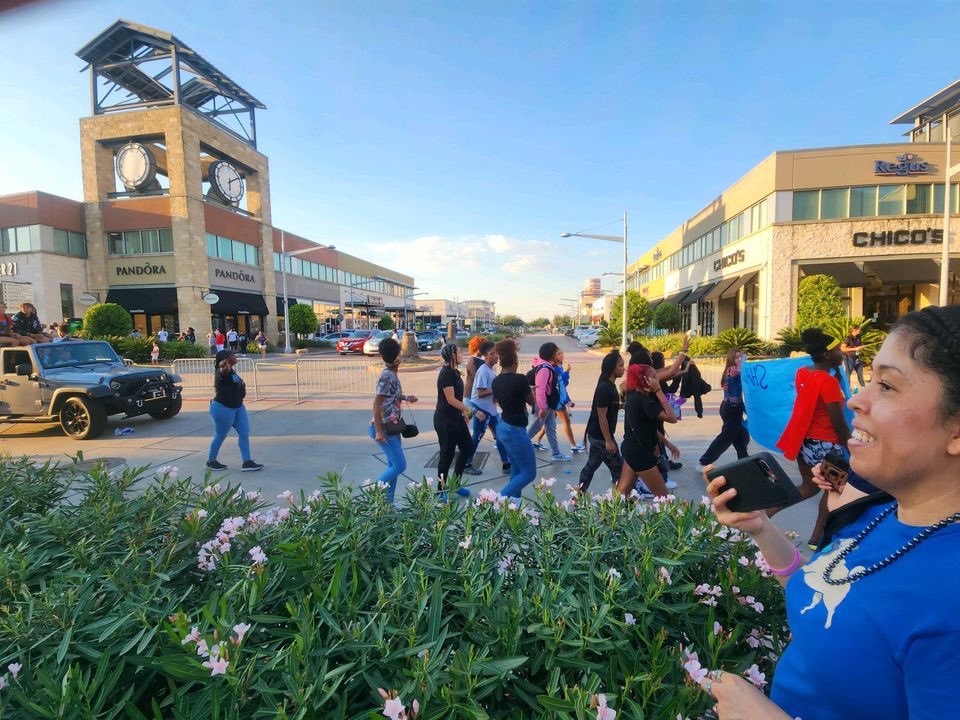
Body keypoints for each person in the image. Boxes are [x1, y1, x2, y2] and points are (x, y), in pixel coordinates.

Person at [703, 304, 960, 720]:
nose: (857, 398)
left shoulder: (951, 596)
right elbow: (826, 599)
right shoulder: (881, 512)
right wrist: (762, 530)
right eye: (869, 379)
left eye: (888, 387)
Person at [776, 328, 851, 548]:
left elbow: (813, 392)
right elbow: (838, 423)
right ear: (827, 355)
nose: (842, 353)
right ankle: (817, 538)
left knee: (809, 487)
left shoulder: (803, 373)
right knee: (835, 491)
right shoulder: (828, 383)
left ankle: (766, 512)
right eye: (838, 350)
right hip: (825, 446)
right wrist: (852, 447)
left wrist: (834, 375)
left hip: (804, 443)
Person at [615, 363, 676, 498]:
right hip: (640, 454)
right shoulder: (644, 401)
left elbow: (646, 428)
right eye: (653, 377)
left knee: (620, 496)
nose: (657, 380)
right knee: (664, 500)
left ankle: (606, 518)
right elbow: (672, 418)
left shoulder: (634, 396)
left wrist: (668, 444)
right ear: (644, 380)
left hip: (632, 449)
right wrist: (659, 391)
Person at [369, 337, 417, 505]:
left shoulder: (392, 375)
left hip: (393, 427)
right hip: (383, 427)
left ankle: (388, 505)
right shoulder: (387, 376)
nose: (401, 355)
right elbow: (377, 404)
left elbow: (390, 396)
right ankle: (373, 493)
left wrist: (405, 397)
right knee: (399, 466)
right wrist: (379, 431)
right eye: (399, 353)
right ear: (396, 357)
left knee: (393, 467)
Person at [492, 339, 538, 499]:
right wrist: (530, 391)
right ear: (515, 362)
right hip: (515, 430)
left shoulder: (496, 381)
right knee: (529, 474)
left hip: (503, 427)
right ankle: (495, 501)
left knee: (517, 470)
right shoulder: (520, 379)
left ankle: (514, 507)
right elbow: (532, 401)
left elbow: (501, 399)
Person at [206, 349, 263, 472]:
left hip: (238, 407)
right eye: (232, 355)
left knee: (244, 432)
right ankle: (211, 461)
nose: (235, 356)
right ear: (225, 360)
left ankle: (247, 462)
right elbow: (223, 370)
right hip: (223, 409)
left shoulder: (232, 371)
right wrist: (223, 365)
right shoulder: (223, 372)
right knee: (220, 436)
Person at [434, 343, 478, 497]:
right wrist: (469, 410)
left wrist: (462, 413)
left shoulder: (454, 372)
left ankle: (455, 484)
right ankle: (441, 490)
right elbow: (451, 399)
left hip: (456, 418)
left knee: (467, 447)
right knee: (447, 454)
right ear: (452, 355)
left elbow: (457, 399)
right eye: (459, 352)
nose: (462, 354)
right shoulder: (446, 373)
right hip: (445, 420)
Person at [696, 348, 750, 472]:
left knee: (742, 437)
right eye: (737, 357)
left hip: (734, 407)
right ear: (731, 359)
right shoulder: (732, 369)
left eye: (741, 356)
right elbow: (740, 371)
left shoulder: (734, 369)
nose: (740, 359)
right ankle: (703, 462)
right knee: (725, 438)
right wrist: (744, 361)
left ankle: (744, 461)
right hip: (731, 409)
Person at [578, 350, 625, 492]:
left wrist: (623, 405)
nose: (624, 368)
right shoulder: (605, 388)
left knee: (591, 465)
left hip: (598, 436)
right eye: (621, 365)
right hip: (601, 437)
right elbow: (601, 415)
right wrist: (608, 440)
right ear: (612, 368)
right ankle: (622, 502)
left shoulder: (610, 385)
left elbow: (610, 407)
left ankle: (578, 494)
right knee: (618, 471)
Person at [469, 340, 510, 473]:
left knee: (500, 436)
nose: (496, 356)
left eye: (496, 353)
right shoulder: (483, 371)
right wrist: (497, 389)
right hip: (481, 409)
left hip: (490, 410)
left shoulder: (490, 370)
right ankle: (467, 463)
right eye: (492, 354)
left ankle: (506, 464)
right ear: (485, 356)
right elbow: (480, 393)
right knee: (477, 437)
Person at [527, 342, 571, 463]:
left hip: (549, 405)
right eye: (556, 352)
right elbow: (540, 389)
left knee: (551, 428)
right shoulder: (545, 369)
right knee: (532, 430)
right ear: (551, 354)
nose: (558, 355)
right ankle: (515, 451)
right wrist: (542, 407)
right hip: (544, 405)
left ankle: (556, 453)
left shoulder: (546, 366)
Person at [533, 350, 584, 454]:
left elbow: (562, 386)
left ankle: (537, 441)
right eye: (559, 354)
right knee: (566, 421)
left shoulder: (557, 367)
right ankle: (573, 446)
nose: (562, 355)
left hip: (557, 400)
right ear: (553, 356)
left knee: (548, 424)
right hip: (557, 400)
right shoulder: (554, 368)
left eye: (562, 353)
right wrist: (567, 372)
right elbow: (561, 385)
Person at [841, 324, 866, 388]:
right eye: (859, 329)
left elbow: (858, 345)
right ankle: (848, 389)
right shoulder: (848, 338)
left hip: (857, 357)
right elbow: (842, 348)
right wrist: (855, 349)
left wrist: (861, 347)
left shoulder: (858, 337)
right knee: (848, 374)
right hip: (849, 358)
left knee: (860, 372)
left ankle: (863, 387)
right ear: (854, 330)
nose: (860, 330)